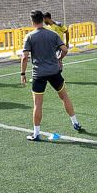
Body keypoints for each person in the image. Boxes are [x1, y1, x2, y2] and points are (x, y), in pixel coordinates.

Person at [21, 10, 81, 141]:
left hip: (39, 74)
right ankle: (75, 122)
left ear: (32, 21)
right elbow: (65, 49)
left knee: (37, 104)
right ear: (43, 20)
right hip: (54, 72)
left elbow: (24, 58)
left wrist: (23, 73)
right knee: (64, 96)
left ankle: (36, 134)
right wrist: (59, 59)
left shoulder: (29, 37)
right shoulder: (52, 34)